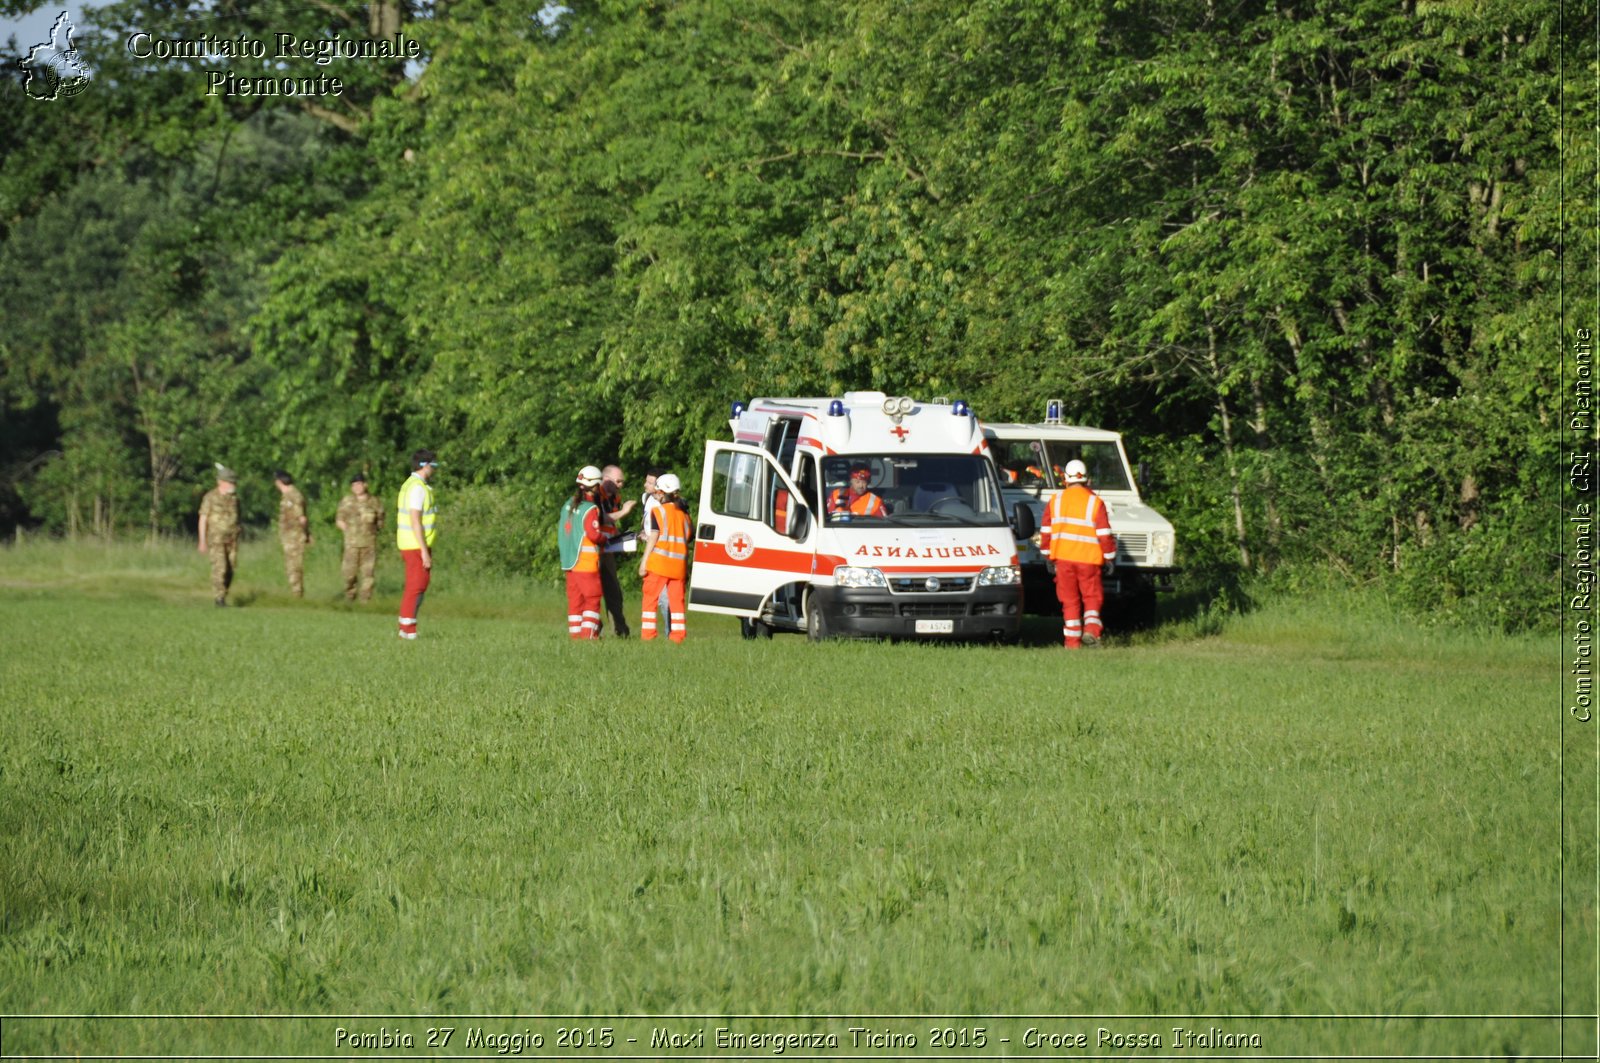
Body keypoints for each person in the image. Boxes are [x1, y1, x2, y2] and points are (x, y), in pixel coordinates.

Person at [1038, 458, 1117, 648]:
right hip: (1089, 560)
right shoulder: (1095, 502)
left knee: (1069, 601)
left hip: (1063, 560)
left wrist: (1047, 556)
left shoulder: (1055, 501)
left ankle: (1072, 644)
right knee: (1091, 597)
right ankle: (1091, 630)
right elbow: (1104, 534)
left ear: (1065, 479)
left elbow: (1046, 532)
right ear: (1086, 479)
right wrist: (1109, 557)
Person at [638, 472, 692, 642]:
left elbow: (653, 537)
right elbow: (688, 537)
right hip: (678, 566)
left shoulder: (658, 512)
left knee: (650, 600)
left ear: (661, 493)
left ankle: (648, 636)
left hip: (659, 564)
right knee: (676, 603)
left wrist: (644, 562)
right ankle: (678, 638)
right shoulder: (685, 516)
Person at [559, 466, 607, 639]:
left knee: (575, 601)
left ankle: (576, 636)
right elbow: (593, 535)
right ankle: (588, 636)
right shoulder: (590, 509)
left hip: (569, 562)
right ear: (595, 486)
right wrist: (605, 539)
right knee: (592, 599)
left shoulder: (568, 504)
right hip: (585, 563)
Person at [395, 449, 439, 640]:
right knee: (416, 585)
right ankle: (408, 629)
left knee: (416, 584)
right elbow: (415, 520)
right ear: (425, 465)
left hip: (411, 544)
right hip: (415, 544)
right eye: (434, 464)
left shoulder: (412, 485)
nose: (435, 468)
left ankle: (406, 626)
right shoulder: (417, 488)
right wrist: (424, 551)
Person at [596, 464, 638, 638]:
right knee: (593, 591)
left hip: (608, 549)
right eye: (618, 481)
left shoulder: (614, 497)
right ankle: (591, 629)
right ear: (606, 479)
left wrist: (622, 537)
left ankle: (620, 631)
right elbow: (600, 518)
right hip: (595, 550)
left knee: (614, 592)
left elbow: (609, 523)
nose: (621, 485)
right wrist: (624, 512)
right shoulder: (597, 495)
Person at [335, 472, 384, 602]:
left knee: (368, 574)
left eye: (359, 484)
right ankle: (350, 596)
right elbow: (339, 520)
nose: (357, 487)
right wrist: (347, 529)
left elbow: (380, 521)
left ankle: (365, 601)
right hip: (351, 544)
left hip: (369, 544)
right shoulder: (347, 501)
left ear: (365, 485)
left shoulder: (374, 502)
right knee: (349, 574)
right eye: (354, 485)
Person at [197, 463, 241, 607]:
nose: (233, 484)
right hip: (216, 539)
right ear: (221, 482)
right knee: (219, 567)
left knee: (230, 569)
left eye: (234, 482)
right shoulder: (210, 497)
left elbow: (238, 517)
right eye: (230, 481)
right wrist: (202, 541)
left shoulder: (235, 499)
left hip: (232, 539)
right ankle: (219, 598)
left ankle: (224, 592)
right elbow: (203, 518)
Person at [640, 467, 671, 634]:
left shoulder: (664, 505)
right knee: (658, 597)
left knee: (665, 598)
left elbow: (659, 532)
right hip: (653, 552)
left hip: (662, 555)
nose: (645, 485)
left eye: (650, 482)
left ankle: (671, 633)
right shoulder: (647, 499)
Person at [274, 470, 311, 598]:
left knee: (294, 565)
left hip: (295, 536)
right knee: (291, 565)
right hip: (289, 536)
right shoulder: (288, 495)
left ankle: (297, 594)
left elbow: (302, 518)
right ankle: (296, 592)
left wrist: (306, 533)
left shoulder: (293, 495)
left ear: (279, 482)